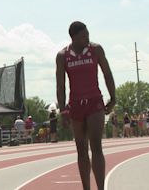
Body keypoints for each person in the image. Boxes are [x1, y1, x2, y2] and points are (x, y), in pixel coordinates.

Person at [56, 21, 116, 190]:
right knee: (81, 149)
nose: (87, 39)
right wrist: (63, 110)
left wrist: (113, 98)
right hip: (75, 105)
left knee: (96, 145)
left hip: (94, 102)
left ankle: (101, 187)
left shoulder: (95, 49)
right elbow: (60, 85)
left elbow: (107, 73)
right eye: (83, 36)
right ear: (74, 38)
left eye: (88, 35)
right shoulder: (62, 56)